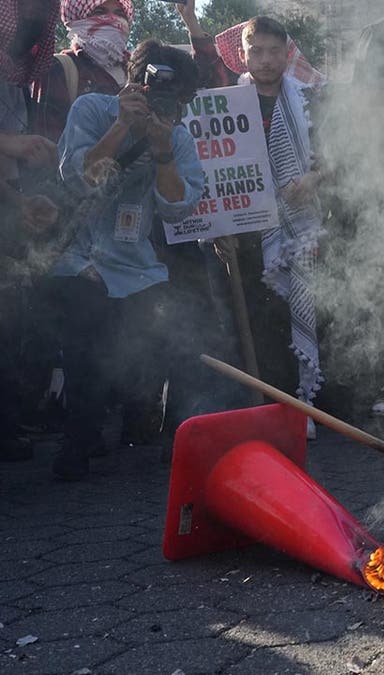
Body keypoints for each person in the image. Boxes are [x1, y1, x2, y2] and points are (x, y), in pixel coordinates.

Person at [46, 40, 204, 479]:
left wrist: (163, 150)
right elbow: (79, 179)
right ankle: (78, 438)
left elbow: (176, 208)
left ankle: (168, 432)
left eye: (175, 98)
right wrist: (120, 126)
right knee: (88, 328)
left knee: (179, 326)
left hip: (135, 264)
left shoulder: (179, 138)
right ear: (135, 81)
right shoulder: (93, 110)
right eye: (154, 89)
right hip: (77, 257)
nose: (162, 103)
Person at [202, 16, 326, 420]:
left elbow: (341, 156)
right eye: (257, 51)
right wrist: (218, 227)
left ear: (287, 54)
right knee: (252, 323)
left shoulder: (310, 100)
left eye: (275, 51)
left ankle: (301, 409)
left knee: (299, 314)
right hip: (245, 233)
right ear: (242, 55)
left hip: (301, 228)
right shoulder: (223, 103)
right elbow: (211, 170)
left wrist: (312, 178)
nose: (266, 59)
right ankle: (263, 413)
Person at [0, 0, 61, 462]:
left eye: (43, 11)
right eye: (26, 11)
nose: (33, 22)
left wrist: (19, 203)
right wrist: (11, 143)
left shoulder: (15, 82)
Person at [30, 0, 132, 142]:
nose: (112, 19)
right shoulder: (60, 67)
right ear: (78, 21)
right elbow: (48, 143)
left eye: (119, 13)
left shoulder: (138, 70)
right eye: (100, 12)